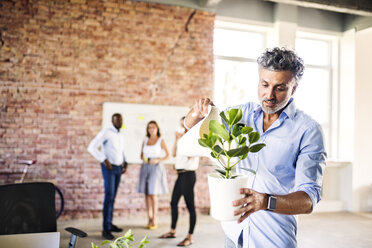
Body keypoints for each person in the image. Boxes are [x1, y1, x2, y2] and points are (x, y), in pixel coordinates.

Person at [184, 47, 326, 248]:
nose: (269, 95)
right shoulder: (241, 115)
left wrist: (266, 201)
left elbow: (308, 200)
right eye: (265, 84)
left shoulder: (308, 130)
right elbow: (196, 130)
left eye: (280, 87)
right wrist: (196, 115)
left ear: (293, 88)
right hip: (234, 235)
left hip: (273, 238)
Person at [159, 117, 199, 247]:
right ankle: (172, 231)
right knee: (173, 202)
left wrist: (185, 137)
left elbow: (189, 154)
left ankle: (190, 236)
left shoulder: (195, 139)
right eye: (181, 126)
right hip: (180, 175)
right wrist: (177, 139)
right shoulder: (182, 139)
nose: (183, 128)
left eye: (185, 126)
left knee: (190, 206)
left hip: (189, 175)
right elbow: (174, 153)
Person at [87, 113, 128, 240]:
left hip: (118, 167)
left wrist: (125, 161)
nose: (119, 121)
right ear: (112, 121)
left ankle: (109, 223)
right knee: (109, 196)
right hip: (109, 168)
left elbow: (120, 150)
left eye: (120, 119)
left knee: (112, 197)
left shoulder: (120, 134)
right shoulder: (106, 132)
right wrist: (104, 159)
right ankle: (106, 229)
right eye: (116, 119)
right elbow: (91, 147)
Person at [137, 120, 170, 230]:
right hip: (145, 166)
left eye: (154, 127)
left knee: (153, 193)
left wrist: (157, 160)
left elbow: (168, 155)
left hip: (156, 167)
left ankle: (155, 218)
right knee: (146, 193)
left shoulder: (161, 140)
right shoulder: (145, 140)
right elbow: (141, 155)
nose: (151, 129)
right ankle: (149, 217)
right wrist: (145, 159)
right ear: (147, 129)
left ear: (157, 129)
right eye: (149, 127)